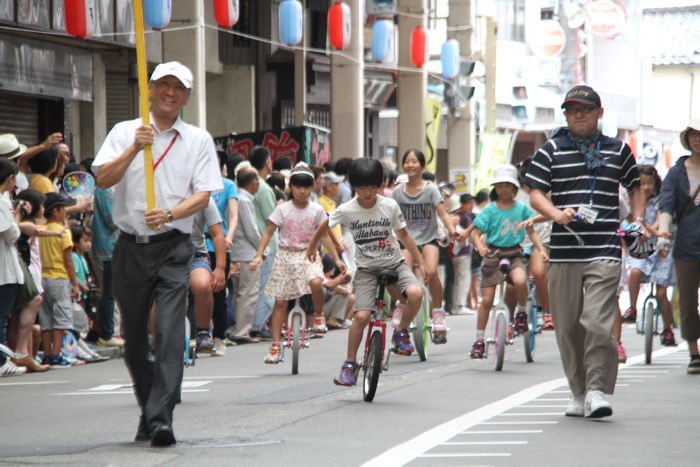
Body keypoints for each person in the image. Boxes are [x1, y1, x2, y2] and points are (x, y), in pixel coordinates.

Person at [92, 61, 222, 446]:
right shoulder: (124, 131)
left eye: (178, 87)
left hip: (174, 248)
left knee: (168, 334)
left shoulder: (197, 139)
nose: (170, 92)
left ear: (187, 96)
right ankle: (149, 408)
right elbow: (102, 179)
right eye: (163, 84)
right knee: (133, 341)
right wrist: (136, 146)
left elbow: (204, 194)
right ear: (149, 89)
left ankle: (161, 418)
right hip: (130, 248)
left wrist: (170, 213)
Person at [525, 85, 643, 418]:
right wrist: (554, 214)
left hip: (604, 246)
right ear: (565, 114)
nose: (578, 114)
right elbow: (536, 193)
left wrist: (636, 220)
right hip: (564, 249)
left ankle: (596, 390)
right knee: (565, 326)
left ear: (599, 113)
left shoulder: (618, 150)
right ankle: (578, 392)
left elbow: (635, 187)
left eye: (585, 109)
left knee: (598, 321)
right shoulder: (551, 150)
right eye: (572, 109)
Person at [306, 158, 425, 385]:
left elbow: (404, 236)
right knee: (361, 316)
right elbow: (324, 223)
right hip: (367, 270)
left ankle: (400, 332)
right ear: (353, 186)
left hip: (394, 264)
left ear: (380, 184)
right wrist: (312, 246)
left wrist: (420, 261)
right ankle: (349, 364)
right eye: (362, 188)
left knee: (416, 293)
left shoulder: (389, 206)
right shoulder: (347, 208)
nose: (368, 193)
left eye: (372, 187)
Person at [250, 167, 336, 364]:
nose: (302, 191)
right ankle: (275, 344)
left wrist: (336, 258)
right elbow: (268, 233)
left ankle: (319, 316)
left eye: (306, 187)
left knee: (316, 282)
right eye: (298, 187)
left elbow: (324, 235)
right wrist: (259, 255)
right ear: (291, 187)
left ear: (313, 188)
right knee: (280, 302)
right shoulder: (282, 209)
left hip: (309, 255)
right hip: (285, 256)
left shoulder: (317, 210)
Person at [468, 165, 547, 359]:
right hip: (493, 254)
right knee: (486, 300)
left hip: (515, 254)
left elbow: (531, 230)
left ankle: (520, 313)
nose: (503, 189)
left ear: (515, 188)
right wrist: (479, 246)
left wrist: (541, 249)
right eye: (499, 185)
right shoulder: (490, 210)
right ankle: (479, 340)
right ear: (495, 188)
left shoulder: (521, 209)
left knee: (520, 281)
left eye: (507, 185)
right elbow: (475, 233)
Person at [392, 149, 457, 344]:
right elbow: (391, 216)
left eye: (414, 162)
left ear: (422, 166)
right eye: (407, 162)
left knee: (432, 272)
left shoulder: (430, 189)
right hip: (406, 240)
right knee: (401, 272)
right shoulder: (397, 192)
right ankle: (401, 304)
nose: (410, 165)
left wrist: (452, 230)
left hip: (429, 239)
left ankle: (438, 313)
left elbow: (443, 214)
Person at [657, 121, 700, 374]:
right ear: (687, 140)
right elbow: (666, 207)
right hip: (686, 244)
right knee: (687, 301)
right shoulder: (676, 173)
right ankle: (694, 352)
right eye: (693, 135)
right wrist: (663, 236)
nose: (698, 140)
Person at [621, 165, 677, 346]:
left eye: (650, 183)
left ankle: (667, 329)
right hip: (640, 247)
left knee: (662, 293)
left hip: (661, 247)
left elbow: (661, 221)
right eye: (642, 183)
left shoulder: (662, 200)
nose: (646, 187)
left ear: (656, 184)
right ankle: (632, 308)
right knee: (635, 272)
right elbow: (630, 222)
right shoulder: (631, 201)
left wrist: (651, 230)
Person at [38, 192, 79, 368]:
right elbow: (68, 261)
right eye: (63, 209)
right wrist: (75, 283)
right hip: (59, 277)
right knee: (61, 317)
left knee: (46, 318)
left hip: (42, 278)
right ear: (55, 211)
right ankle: (56, 354)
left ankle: (47, 354)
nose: (65, 213)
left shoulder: (41, 230)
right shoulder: (63, 232)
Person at [204, 151, 238, 355]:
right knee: (194, 292)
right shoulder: (194, 186)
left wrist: (230, 235)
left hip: (219, 245)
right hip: (196, 245)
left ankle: (218, 338)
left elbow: (233, 215)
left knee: (218, 294)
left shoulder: (228, 186)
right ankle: (198, 336)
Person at [229, 167, 264, 344]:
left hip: (236, 251)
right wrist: (261, 250)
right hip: (247, 252)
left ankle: (237, 328)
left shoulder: (236, 197)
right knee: (248, 293)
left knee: (238, 292)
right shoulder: (245, 200)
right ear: (254, 183)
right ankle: (242, 331)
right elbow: (252, 230)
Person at [0, 158, 27, 377]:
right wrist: (16, 218)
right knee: (1, 316)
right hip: (3, 269)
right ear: (9, 178)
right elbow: (11, 235)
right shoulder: (1, 201)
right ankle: (1, 362)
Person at [190, 198, 226, 354]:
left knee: (202, 285)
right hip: (163, 256)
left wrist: (220, 268)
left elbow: (217, 234)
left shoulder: (203, 198)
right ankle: (153, 337)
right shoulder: (160, 191)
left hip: (195, 255)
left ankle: (203, 332)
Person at [249, 147, 278, 341]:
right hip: (266, 244)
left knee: (254, 288)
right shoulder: (265, 189)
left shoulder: (249, 184)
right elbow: (272, 220)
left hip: (253, 243)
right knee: (267, 286)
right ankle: (258, 325)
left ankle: (254, 323)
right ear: (267, 161)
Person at [91, 180, 122, 347]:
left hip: (113, 246)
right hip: (109, 248)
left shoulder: (110, 188)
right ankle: (108, 333)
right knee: (109, 291)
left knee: (112, 291)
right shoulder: (105, 189)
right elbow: (113, 219)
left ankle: (112, 331)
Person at [450, 193, 474, 314]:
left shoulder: (456, 216)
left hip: (456, 253)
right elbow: (470, 233)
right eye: (469, 203)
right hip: (462, 252)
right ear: (463, 204)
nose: (471, 206)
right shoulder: (463, 217)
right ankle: (460, 306)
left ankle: (456, 306)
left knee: (458, 279)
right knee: (463, 278)